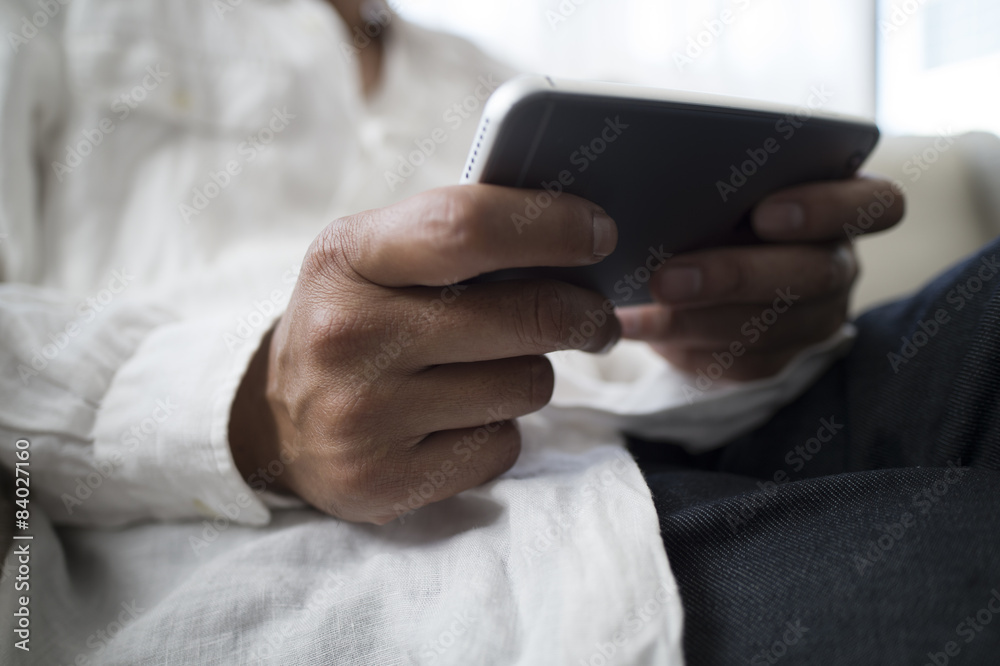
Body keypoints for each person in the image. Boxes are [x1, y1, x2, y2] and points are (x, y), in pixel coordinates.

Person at [1, 1, 996, 664]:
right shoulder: (53, 23)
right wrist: (251, 410)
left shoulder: (483, 75)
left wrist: (727, 350)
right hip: (392, 552)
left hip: (672, 435)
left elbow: (607, 322)